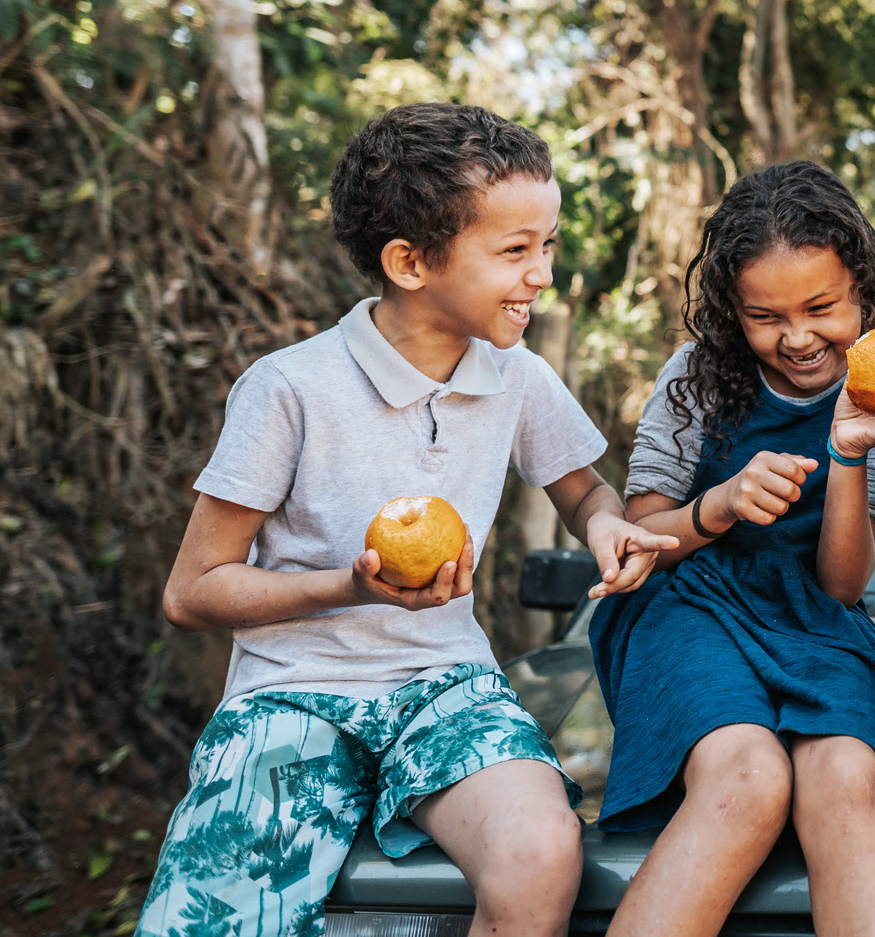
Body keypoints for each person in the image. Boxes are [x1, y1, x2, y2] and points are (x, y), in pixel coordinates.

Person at [140, 102, 675, 937]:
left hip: (446, 686)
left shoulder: (519, 377)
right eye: (514, 251)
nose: (541, 274)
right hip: (293, 697)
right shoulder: (288, 389)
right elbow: (194, 590)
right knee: (214, 916)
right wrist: (350, 586)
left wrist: (606, 528)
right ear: (410, 262)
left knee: (542, 850)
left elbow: (585, 494)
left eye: (548, 246)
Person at [589, 161, 875, 937]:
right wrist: (717, 505)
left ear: (865, 292)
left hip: (814, 616)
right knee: (747, 780)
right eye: (765, 316)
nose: (798, 337)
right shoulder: (698, 378)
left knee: (847, 774)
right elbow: (642, 537)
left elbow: (844, 585)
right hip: (689, 606)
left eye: (821, 307)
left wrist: (847, 453)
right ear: (730, 310)